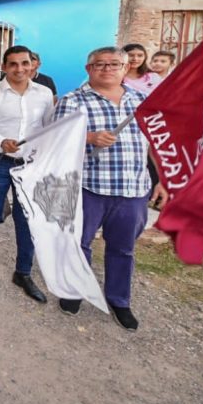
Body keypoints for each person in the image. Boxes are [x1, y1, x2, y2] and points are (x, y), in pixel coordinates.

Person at [54, 47, 169, 331]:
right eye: (100, 64)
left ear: (126, 67)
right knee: (79, 244)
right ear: (88, 69)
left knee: (123, 249)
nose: (107, 69)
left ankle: (119, 300)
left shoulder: (143, 101)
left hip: (133, 189)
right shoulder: (73, 100)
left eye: (114, 64)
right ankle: (74, 290)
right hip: (88, 187)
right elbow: (56, 139)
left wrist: (163, 179)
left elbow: (156, 144)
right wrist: (89, 137)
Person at [0, 46, 54, 303]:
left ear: (32, 65)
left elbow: (48, 127)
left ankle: (23, 273)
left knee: (26, 219)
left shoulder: (44, 94)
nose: (20, 69)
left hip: (30, 165)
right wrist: (0, 141)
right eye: (13, 64)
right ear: (4, 67)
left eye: (25, 63)